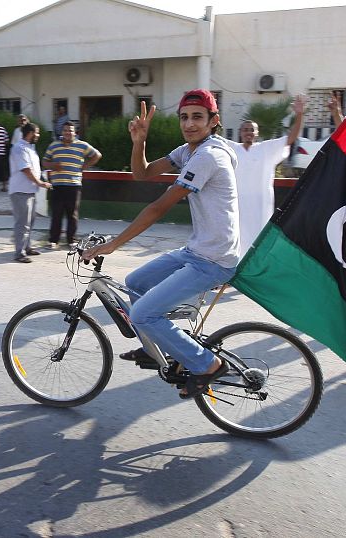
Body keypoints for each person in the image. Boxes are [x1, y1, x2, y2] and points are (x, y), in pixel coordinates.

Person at [82, 89, 239, 400]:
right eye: (184, 117)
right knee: (135, 282)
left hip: (214, 260)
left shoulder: (209, 156)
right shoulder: (190, 151)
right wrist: (139, 141)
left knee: (141, 314)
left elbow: (158, 207)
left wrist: (114, 243)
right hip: (198, 250)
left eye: (197, 117)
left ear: (214, 121)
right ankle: (157, 346)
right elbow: (142, 174)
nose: (190, 124)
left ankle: (208, 365)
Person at [227, 94, 305, 257]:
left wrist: (299, 114)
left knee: (259, 242)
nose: (248, 132)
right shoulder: (231, 148)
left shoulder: (267, 148)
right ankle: (231, 276)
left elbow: (291, 138)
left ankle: (254, 277)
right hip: (237, 205)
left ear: (257, 133)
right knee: (234, 240)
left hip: (260, 206)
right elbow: (211, 138)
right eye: (245, 130)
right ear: (240, 132)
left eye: (252, 130)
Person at [42, 122, 102, 248]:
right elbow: (44, 161)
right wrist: (53, 166)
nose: (67, 133)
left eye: (70, 130)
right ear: (62, 132)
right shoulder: (54, 146)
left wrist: (85, 166)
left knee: (72, 215)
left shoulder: (82, 145)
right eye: (65, 130)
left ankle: (71, 241)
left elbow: (97, 155)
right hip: (57, 185)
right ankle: (53, 241)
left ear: (75, 133)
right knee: (56, 214)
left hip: (74, 185)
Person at [9, 122, 52, 263]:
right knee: (22, 223)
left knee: (29, 222)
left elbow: (33, 169)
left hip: (29, 191)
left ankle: (26, 247)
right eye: (37, 133)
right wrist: (40, 183)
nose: (38, 135)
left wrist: (40, 179)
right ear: (30, 133)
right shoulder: (19, 148)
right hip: (20, 191)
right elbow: (26, 169)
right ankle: (19, 253)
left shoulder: (30, 148)